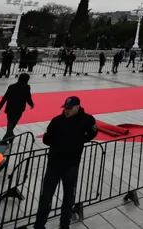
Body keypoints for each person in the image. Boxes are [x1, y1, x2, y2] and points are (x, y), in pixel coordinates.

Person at [33, 96, 98, 229]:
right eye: (65, 108)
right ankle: (39, 224)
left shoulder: (87, 119)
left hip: (71, 165)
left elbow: (93, 132)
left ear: (77, 107)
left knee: (69, 196)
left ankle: (65, 224)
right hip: (54, 164)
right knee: (46, 196)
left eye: (69, 108)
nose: (66, 111)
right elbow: (46, 139)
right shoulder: (57, 120)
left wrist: (80, 140)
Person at [0, 73, 35, 140]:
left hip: (10, 108)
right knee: (12, 124)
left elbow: (4, 98)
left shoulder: (11, 86)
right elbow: (28, 97)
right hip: (19, 109)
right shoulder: (27, 87)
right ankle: (6, 139)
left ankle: (9, 138)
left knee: (10, 124)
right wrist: (31, 104)